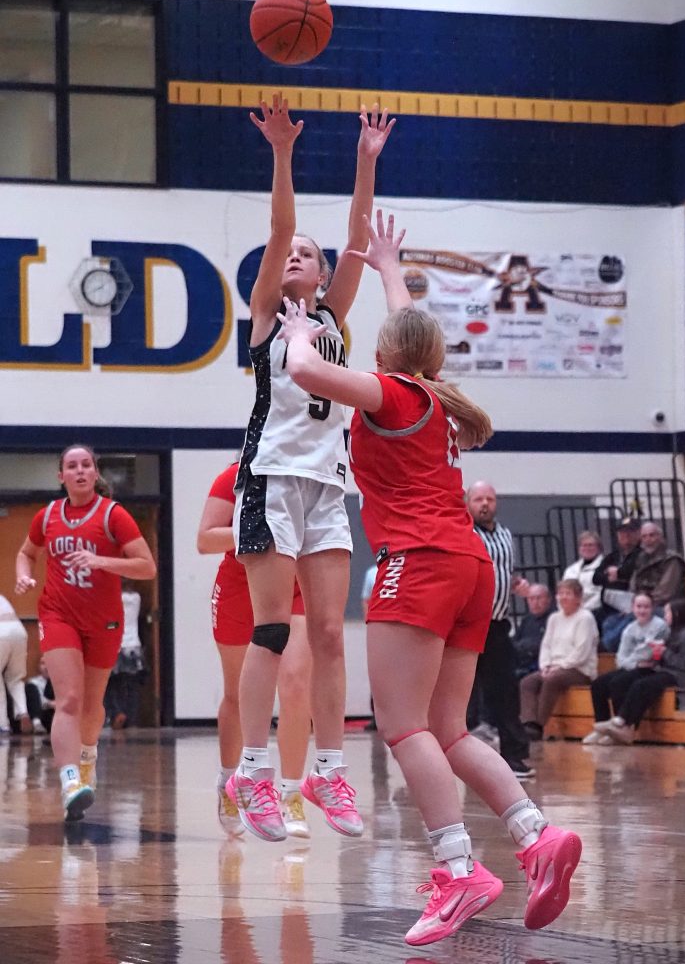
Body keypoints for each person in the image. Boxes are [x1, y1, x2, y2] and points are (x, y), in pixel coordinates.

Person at [276, 210, 582, 947]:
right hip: (471, 567)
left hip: (418, 563)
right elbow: (408, 329)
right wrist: (386, 265)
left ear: (385, 353)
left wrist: (297, 334)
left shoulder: (392, 391)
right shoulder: (434, 394)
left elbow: (307, 373)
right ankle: (535, 836)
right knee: (446, 729)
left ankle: (456, 870)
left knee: (403, 726)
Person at [227, 95, 395, 842]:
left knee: (329, 634)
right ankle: (253, 776)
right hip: (269, 479)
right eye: (291, 254)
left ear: (324, 276)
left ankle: (327, 773)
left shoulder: (330, 319)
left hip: (329, 486)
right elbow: (278, 226)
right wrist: (283, 150)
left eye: (308, 255)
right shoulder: (268, 312)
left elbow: (358, 240)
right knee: (271, 630)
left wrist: (364, 162)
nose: (295, 255)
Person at [14, 444, 156, 821]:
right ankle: (70, 780)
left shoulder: (114, 516)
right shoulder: (47, 517)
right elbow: (27, 552)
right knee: (69, 700)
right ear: (61, 476)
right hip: (59, 615)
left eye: (86, 465)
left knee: (93, 707)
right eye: (71, 466)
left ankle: (88, 755)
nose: (79, 471)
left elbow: (146, 566)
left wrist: (101, 561)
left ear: (95, 473)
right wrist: (24, 575)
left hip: (103, 620)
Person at [197, 461, 313, 838]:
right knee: (236, 694)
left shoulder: (311, 475)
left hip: (295, 583)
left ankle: (291, 792)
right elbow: (206, 539)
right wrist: (256, 526)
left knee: (295, 687)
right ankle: (230, 781)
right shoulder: (232, 475)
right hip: (240, 584)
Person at [465, 481, 534, 778]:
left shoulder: (506, 534)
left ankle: (514, 757)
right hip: (467, 624)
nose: (485, 504)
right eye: (478, 498)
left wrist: (516, 584)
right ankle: (453, 754)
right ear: (468, 502)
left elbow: (505, 570)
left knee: (507, 691)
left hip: (498, 624)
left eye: (490, 499)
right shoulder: (463, 534)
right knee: (463, 693)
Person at [591, 597, 685, 744]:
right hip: (665, 670)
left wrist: (663, 653)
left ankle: (622, 722)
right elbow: (622, 657)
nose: (665, 615)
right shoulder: (671, 632)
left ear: (677, 614)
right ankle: (618, 726)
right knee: (618, 682)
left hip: (679, 676)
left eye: (668, 612)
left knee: (640, 684)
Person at [519, 579, 599, 741]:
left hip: (579, 669)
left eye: (567, 594)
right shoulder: (554, 618)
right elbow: (546, 645)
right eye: (560, 593)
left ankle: (539, 725)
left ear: (578, 597)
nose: (563, 597)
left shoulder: (585, 618)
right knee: (527, 682)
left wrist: (559, 667)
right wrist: (545, 665)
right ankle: (529, 723)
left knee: (552, 680)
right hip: (554, 666)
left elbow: (581, 652)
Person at [593, 516, 643, 648]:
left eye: (629, 532)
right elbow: (596, 578)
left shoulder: (641, 554)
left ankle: (604, 646)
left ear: (638, 534)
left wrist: (619, 573)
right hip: (607, 604)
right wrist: (609, 576)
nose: (625, 535)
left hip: (628, 604)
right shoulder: (613, 556)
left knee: (610, 623)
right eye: (622, 532)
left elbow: (629, 571)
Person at [104, 582, 145, 729]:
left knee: (110, 684)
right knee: (131, 686)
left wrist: (105, 626)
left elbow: (114, 624)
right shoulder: (136, 598)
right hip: (133, 645)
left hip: (116, 645)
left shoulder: (112, 598)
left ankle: (116, 712)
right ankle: (131, 718)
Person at [629, 522, 685, 609]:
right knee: (610, 621)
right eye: (644, 536)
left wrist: (641, 604)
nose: (648, 539)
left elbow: (664, 592)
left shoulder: (672, 559)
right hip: (640, 606)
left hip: (666, 607)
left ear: (660, 537)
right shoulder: (641, 558)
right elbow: (633, 585)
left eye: (652, 535)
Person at [0, 592, 32, 735]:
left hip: (1, 632)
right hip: (19, 630)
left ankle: (3, 725)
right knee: (16, 678)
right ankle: (22, 711)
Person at [512, 584, 553, 679]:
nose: (535, 602)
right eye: (531, 599)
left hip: (542, 663)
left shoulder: (554, 618)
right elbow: (515, 641)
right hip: (522, 661)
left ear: (549, 599)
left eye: (538, 598)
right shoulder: (527, 619)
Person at [562, 531, 604, 615]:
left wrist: (584, 609)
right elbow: (563, 591)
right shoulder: (571, 570)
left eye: (590, 545)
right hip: (571, 611)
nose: (587, 548)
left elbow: (602, 594)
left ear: (598, 547)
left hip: (596, 611)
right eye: (583, 545)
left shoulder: (605, 566)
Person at [361, 563, 378, 730]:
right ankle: (377, 715)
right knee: (377, 672)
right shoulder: (372, 573)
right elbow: (366, 600)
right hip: (378, 626)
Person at [25, 655, 56, 734]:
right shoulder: (33, 683)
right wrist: (49, 703)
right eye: (43, 663)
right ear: (39, 666)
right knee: (30, 687)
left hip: (58, 715)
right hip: (43, 715)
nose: (46, 667)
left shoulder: (62, 682)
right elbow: (35, 701)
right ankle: (37, 724)